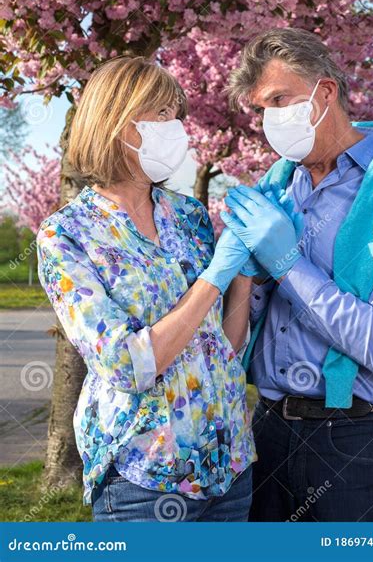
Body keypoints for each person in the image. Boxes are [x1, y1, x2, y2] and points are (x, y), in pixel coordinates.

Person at [222, 28, 373, 522]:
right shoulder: (278, 188)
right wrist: (247, 277)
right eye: (261, 109)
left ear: (324, 93)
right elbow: (237, 341)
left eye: (280, 100)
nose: (269, 121)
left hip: (358, 440)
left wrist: (288, 266)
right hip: (270, 433)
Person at [37, 56, 262, 522]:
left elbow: (224, 344)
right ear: (115, 123)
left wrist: (242, 266)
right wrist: (213, 278)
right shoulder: (68, 235)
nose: (175, 126)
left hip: (228, 467)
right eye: (160, 114)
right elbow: (126, 363)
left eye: (175, 114)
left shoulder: (188, 216)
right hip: (145, 478)